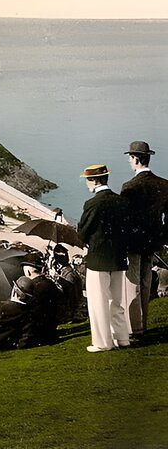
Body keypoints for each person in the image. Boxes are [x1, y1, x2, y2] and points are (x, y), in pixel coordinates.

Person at [77, 164, 131, 352]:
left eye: (87, 180)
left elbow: (83, 233)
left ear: (94, 181)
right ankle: (122, 337)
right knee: (116, 301)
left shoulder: (92, 204)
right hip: (118, 258)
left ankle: (102, 342)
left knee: (98, 302)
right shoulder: (121, 201)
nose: (87, 184)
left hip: (98, 259)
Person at [119, 141, 168, 342]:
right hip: (153, 242)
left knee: (133, 283)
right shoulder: (164, 184)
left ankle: (135, 328)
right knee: (146, 282)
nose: (130, 161)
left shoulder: (130, 187)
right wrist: (162, 236)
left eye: (131, 158)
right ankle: (143, 323)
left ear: (136, 159)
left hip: (134, 242)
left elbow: (124, 218)